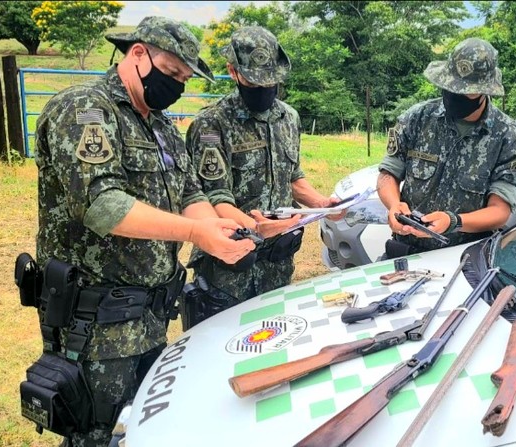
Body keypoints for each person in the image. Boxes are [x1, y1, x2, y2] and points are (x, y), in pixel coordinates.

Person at [32, 16, 254, 447]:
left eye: (184, 79)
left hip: (151, 312)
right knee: (94, 432)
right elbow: (102, 205)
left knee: (138, 429)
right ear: (137, 54)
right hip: (95, 322)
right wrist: (196, 232)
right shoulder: (84, 109)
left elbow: (191, 192)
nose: (175, 85)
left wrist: (220, 228)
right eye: (171, 73)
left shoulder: (160, 125)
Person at [181, 26, 340, 329]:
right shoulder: (212, 124)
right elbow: (212, 196)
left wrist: (323, 204)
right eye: (256, 81)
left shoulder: (288, 118)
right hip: (228, 268)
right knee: (221, 354)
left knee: (275, 342)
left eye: (272, 80)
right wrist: (252, 226)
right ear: (233, 71)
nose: (265, 87)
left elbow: (292, 176)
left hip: (277, 264)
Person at [377, 37, 516, 258]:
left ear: (484, 91)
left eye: (465, 90)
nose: (455, 94)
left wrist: (454, 221)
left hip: (463, 259)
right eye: (451, 87)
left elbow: (500, 211)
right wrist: (394, 205)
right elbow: (387, 174)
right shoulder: (418, 119)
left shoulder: (508, 139)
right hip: (405, 251)